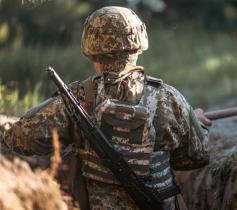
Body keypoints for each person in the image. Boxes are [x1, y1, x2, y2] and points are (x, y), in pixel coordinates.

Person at [3, 6, 211, 210]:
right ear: (139, 42)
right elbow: (197, 156)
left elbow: (20, 137)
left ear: (90, 46)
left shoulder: (77, 99)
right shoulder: (170, 99)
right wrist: (196, 122)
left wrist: (69, 141)